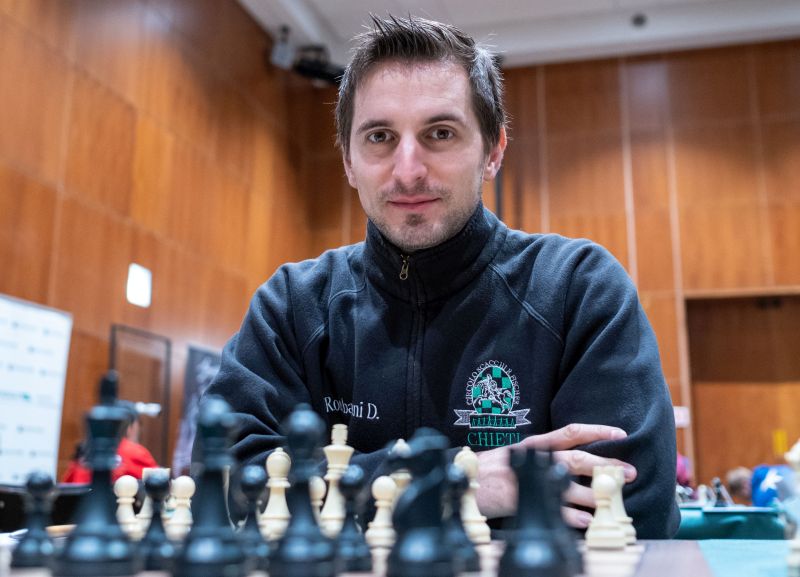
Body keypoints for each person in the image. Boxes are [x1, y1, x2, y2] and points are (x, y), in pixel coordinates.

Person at [202, 15, 680, 538]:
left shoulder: (578, 290)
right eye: (380, 136)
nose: (408, 170)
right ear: (349, 162)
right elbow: (226, 484)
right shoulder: (293, 306)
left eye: (441, 133)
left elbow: (628, 506)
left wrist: (355, 502)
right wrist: (457, 484)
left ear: (493, 151)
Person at [62, 401, 158, 483]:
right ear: (130, 427)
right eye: (139, 425)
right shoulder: (135, 452)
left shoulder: (83, 452)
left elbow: (67, 489)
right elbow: (158, 483)